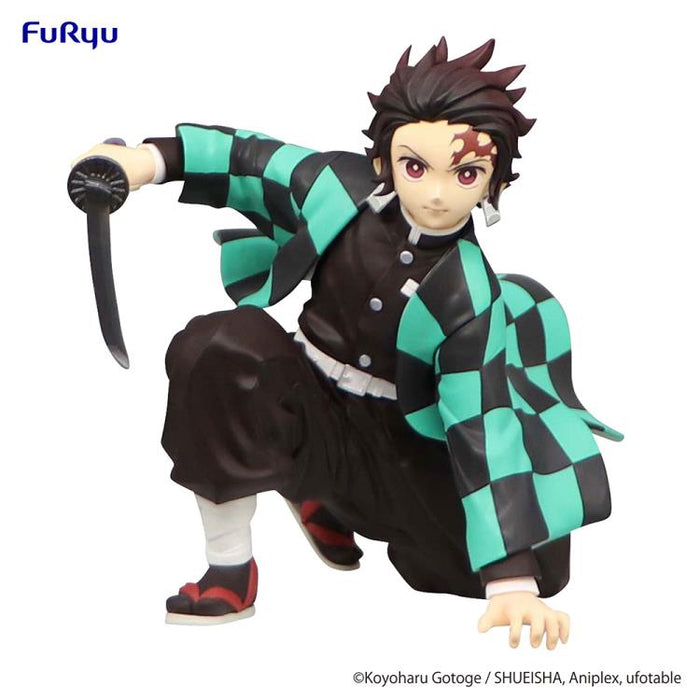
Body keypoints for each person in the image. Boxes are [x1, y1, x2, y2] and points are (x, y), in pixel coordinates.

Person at [74, 38, 621, 649]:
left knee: (524, 571)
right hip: (302, 396)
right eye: (417, 167)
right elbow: (248, 162)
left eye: (466, 173)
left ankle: (320, 491)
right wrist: (142, 161)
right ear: (385, 159)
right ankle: (230, 566)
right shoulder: (337, 188)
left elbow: (482, 425)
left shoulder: (468, 295)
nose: (437, 194)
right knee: (220, 350)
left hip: (398, 445)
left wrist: (510, 579)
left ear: (495, 182)